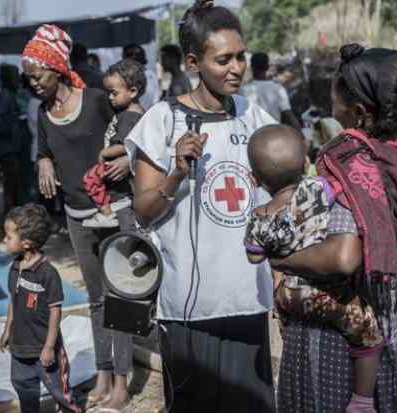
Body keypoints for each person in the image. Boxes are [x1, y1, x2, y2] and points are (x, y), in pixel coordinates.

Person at [273, 44, 397, 413]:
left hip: (335, 335)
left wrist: (281, 255)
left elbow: (344, 258)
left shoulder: (347, 160)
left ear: (359, 112)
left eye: (336, 104)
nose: (334, 112)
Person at [126, 1, 276, 411]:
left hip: (248, 296)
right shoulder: (161, 121)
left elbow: (279, 194)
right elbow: (142, 212)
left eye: (241, 56)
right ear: (193, 62)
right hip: (189, 306)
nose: (237, 68)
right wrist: (175, 173)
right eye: (223, 59)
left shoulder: (255, 117)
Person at [22, 24, 133, 411]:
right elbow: (43, 148)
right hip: (77, 215)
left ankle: (122, 380)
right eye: (28, 78)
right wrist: (44, 160)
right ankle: (103, 375)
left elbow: (137, 129)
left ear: (56, 67)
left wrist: (127, 156)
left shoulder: (99, 101)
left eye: (38, 75)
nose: (33, 83)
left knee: (123, 296)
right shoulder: (43, 113)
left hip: (116, 210)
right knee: (97, 297)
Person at [244, 124, 384, 410]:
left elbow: (255, 256)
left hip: (289, 296)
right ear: (306, 163)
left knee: (290, 326)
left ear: (255, 179)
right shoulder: (318, 187)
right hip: (328, 293)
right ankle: (362, 400)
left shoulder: (259, 216)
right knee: (368, 333)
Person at [0, 204, 82, 413]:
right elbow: (14, 300)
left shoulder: (48, 273)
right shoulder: (15, 266)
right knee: (24, 391)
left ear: (25, 243)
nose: (4, 240)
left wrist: (49, 347)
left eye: (8, 237)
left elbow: (55, 312)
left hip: (44, 351)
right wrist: (8, 329)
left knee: (60, 393)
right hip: (20, 348)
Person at [82, 59, 144, 228]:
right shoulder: (133, 113)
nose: (110, 97)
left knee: (90, 178)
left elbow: (127, 145)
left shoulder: (129, 117)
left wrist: (104, 153)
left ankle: (106, 213)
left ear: (132, 91)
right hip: (126, 180)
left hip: (120, 176)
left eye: (114, 93)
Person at [0, 63, 31, 213]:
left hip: (11, 148)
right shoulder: (4, 97)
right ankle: (9, 215)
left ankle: (12, 214)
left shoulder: (10, 96)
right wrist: (15, 130)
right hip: (8, 149)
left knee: (14, 184)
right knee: (11, 184)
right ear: (8, 79)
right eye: (15, 76)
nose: (18, 80)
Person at [241, 52, 301, 129]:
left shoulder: (243, 90)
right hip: (275, 136)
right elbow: (288, 115)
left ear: (251, 67)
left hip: (253, 137)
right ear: (267, 66)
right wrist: (302, 136)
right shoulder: (278, 89)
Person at [123, 43, 161, 110]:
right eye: (128, 55)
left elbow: (156, 99)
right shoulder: (152, 75)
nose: (133, 57)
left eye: (137, 55)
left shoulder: (151, 75)